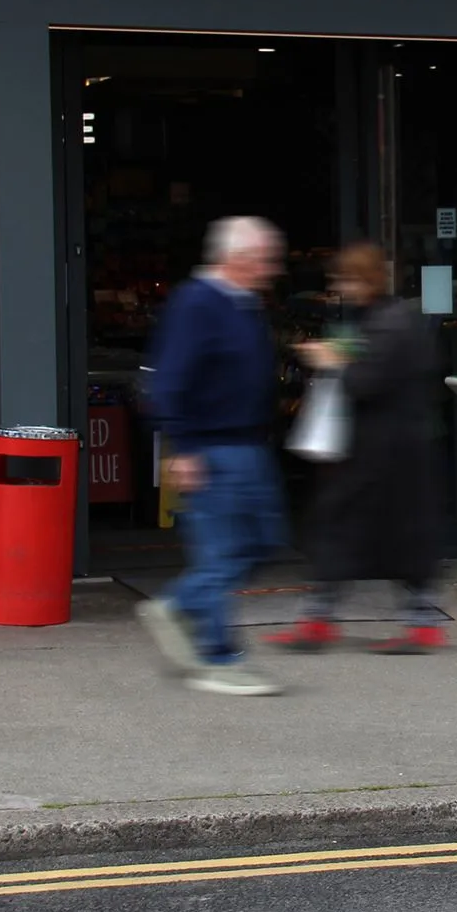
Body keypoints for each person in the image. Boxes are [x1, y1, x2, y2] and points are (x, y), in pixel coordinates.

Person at [268, 242, 449, 653]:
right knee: (371, 537)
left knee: (346, 532)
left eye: (346, 278)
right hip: (387, 453)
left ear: (364, 279)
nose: (340, 287)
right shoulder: (392, 320)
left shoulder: (389, 323)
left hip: (382, 456)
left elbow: (366, 382)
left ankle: (326, 619)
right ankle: (406, 621)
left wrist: (332, 361)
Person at [136, 216, 289, 697]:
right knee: (221, 554)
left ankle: (180, 605)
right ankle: (216, 658)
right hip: (211, 446)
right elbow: (168, 380)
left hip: (247, 444)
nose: (273, 267)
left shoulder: (244, 304)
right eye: (266, 257)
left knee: (263, 541)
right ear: (238, 258)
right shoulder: (198, 303)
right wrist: (181, 446)